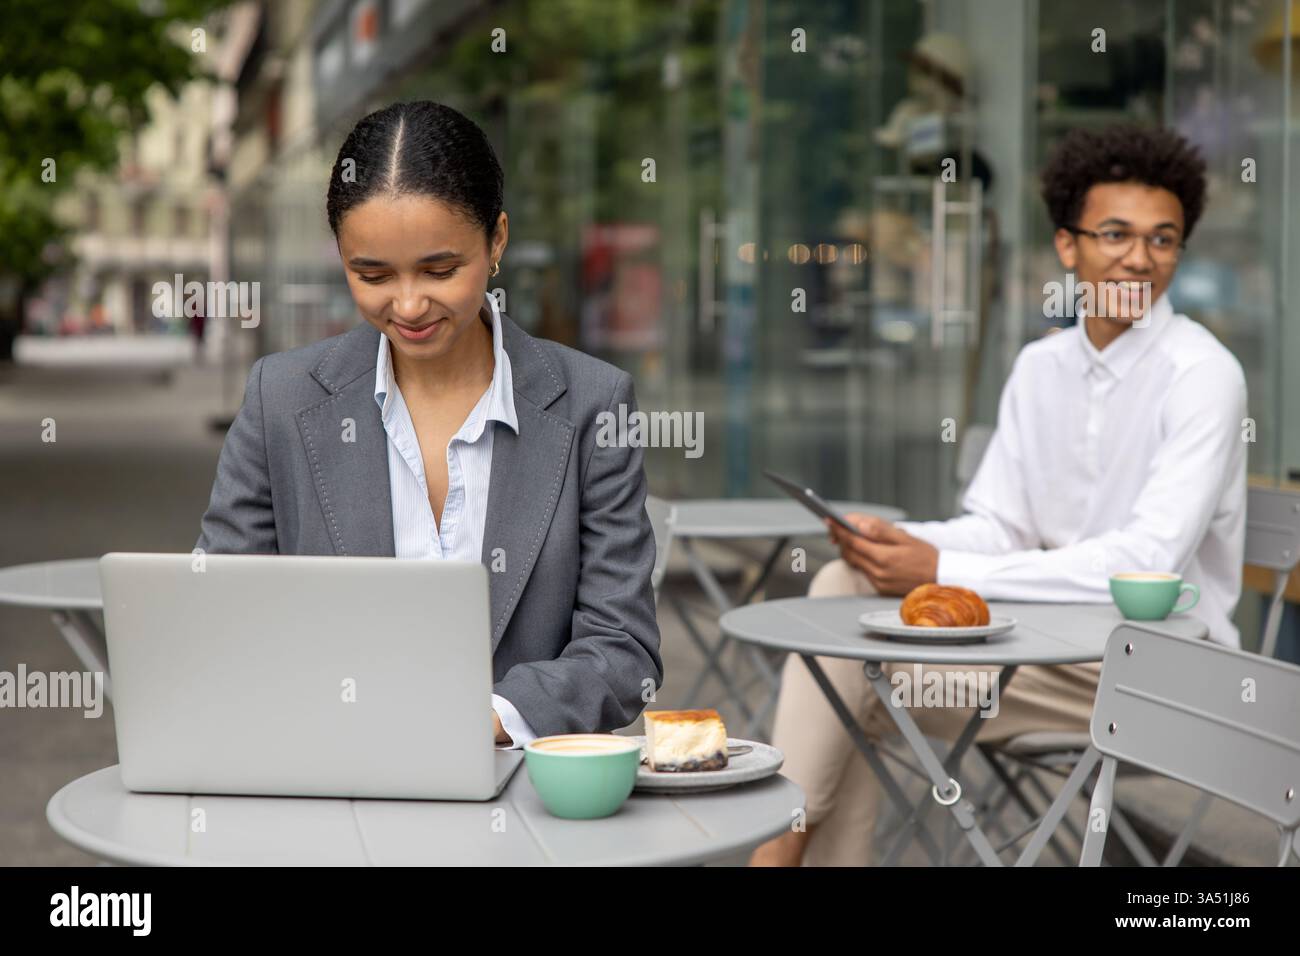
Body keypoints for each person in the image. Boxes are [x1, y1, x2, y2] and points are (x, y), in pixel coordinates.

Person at [751, 124, 1247, 866]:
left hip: (1152, 679)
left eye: (1163, 239)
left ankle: (768, 856)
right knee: (844, 588)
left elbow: (1149, 561)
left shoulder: (1202, 375)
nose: (1140, 258)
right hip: (1039, 654)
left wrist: (940, 570)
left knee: (848, 665)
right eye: (1115, 233)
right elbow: (1001, 526)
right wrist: (903, 544)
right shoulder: (1041, 367)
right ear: (1067, 246)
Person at [195, 101, 662, 749]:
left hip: (521, 797)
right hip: (332, 775)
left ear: (496, 241)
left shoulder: (592, 403)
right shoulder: (281, 397)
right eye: (373, 274)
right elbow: (225, 614)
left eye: (440, 270)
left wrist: (491, 721)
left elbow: (622, 648)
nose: (409, 305)